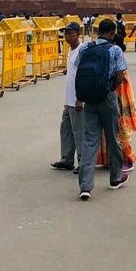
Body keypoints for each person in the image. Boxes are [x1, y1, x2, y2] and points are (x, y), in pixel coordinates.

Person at [76, 19, 129, 200]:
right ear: (113, 33)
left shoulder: (85, 48)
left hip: (89, 98)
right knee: (113, 137)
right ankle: (115, 178)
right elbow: (120, 77)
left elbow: (79, 70)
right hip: (106, 97)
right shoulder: (115, 50)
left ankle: (85, 186)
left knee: (90, 140)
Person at [51, 21, 84, 173]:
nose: (67, 35)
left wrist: (80, 98)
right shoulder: (71, 51)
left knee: (79, 132)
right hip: (69, 99)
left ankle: (83, 162)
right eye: (66, 33)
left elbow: (84, 75)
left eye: (70, 32)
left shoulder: (82, 51)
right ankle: (67, 159)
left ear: (78, 34)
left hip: (77, 99)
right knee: (66, 129)